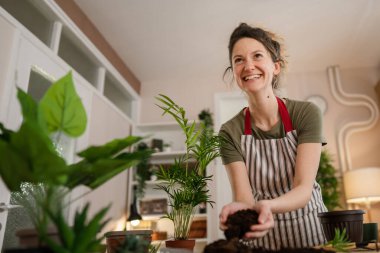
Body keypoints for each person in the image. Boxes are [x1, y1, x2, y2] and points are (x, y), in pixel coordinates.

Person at [218, 23, 328, 250]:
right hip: (264, 238)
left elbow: (302, 189)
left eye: (257, 56)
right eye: (238, 60)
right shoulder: (230, 132)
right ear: (234, 73)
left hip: (312, 232)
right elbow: (244, 198)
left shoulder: (306, 114)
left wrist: (265, 206)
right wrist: (239, 209)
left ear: (276, 66)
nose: (248, 66)